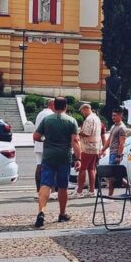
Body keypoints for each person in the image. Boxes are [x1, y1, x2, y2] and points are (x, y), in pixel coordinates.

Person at [33, 96, 81, 228]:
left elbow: (36, 136)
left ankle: (41, 211)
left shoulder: (47, 120)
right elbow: (75, 141)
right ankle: (62, 213)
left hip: (48, 156)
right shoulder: (71, 121)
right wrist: (78, 159)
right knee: (62, 186)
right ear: (66, 107)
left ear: (54, 106)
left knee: (45, 184)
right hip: (64, 157)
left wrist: (45, 139)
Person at [72, 104, 101, 198]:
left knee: (82, 169)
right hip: (95, 147)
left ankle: (79, 192)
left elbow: (86, 133)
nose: (82, 113)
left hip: (87, 147)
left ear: (86, 109)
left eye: (82, 111)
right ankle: (92, 190)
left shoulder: (89, 119)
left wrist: (78, 132)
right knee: (91, 169)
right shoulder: (97, 118)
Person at [101, 108, 128, 196]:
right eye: (112, 115)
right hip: (111, 152)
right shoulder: (113, 126)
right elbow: (109, 140)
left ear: (120, 116)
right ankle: (130, 186)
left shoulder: (122, 128)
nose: (113, 117)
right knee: (114, 174)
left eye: (115, 115)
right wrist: (102, 150)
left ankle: (110, 195)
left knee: (111, 176)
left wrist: (119, 156)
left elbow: (122, 143)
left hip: (116, 153)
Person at [33, 99, 55, 195]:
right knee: (52, 167)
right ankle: (52, 189)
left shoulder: (40, 114)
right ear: (52, 105)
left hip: (38, 143)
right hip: (47, 143)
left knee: (39, 165)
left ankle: (38, 189)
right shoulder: (51, 115)